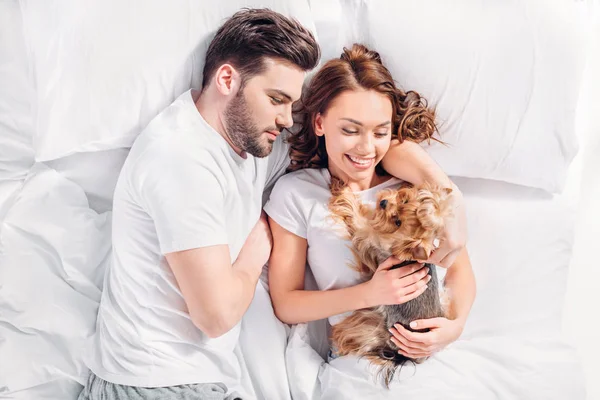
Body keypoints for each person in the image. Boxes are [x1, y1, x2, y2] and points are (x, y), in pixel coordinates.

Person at [80, 9, 466, 400]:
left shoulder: (251, 141)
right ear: (227, 79)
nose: (286, 119)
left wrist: (448, 194)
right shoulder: (180, 161)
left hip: (200, 380)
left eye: (292, 103)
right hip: (150, 382)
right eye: (277, 100)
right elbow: (216, 317)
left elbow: (366, 141)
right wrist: (256, 248)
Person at [264, 44, 476, 378]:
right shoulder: (299, 193)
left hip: (436, 359)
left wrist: (455, 327)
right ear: (319, 123)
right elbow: (287, 304)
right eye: (350, 130)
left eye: (380, 132)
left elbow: (458, 269)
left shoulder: (409, 187)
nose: (366, 148)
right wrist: (369, 293)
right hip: (360, 361)